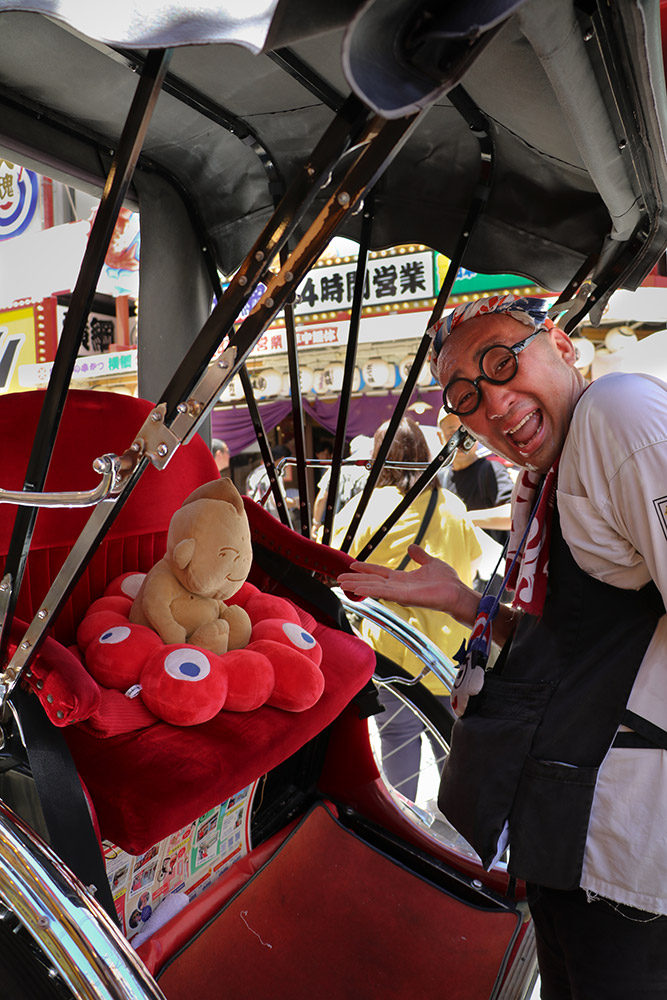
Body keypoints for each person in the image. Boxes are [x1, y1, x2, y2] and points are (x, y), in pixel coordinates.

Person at [338, 293, 667, 999]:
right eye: (465, 395)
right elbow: (577, 642)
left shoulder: (617, 413)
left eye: (500, 362)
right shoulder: (546, 476)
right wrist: (462, 602)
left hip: (629, 846)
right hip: (567, 836)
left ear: (561, 344)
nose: (491, 401)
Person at [332, 417, 481, 801]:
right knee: (456, 751)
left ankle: (409, 824)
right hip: (449, 655)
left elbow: (333, 565)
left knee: (397, 742)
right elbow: (472, 565)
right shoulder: (452, 506)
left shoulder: (363, 509)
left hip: (392, 656)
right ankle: (461, 830)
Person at [311, 434, 372, 539]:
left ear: (351, 451)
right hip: (365, 528)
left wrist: (316, 523)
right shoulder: (373, 472)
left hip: (338, 526)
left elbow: (322, 497)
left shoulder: (337, 468)